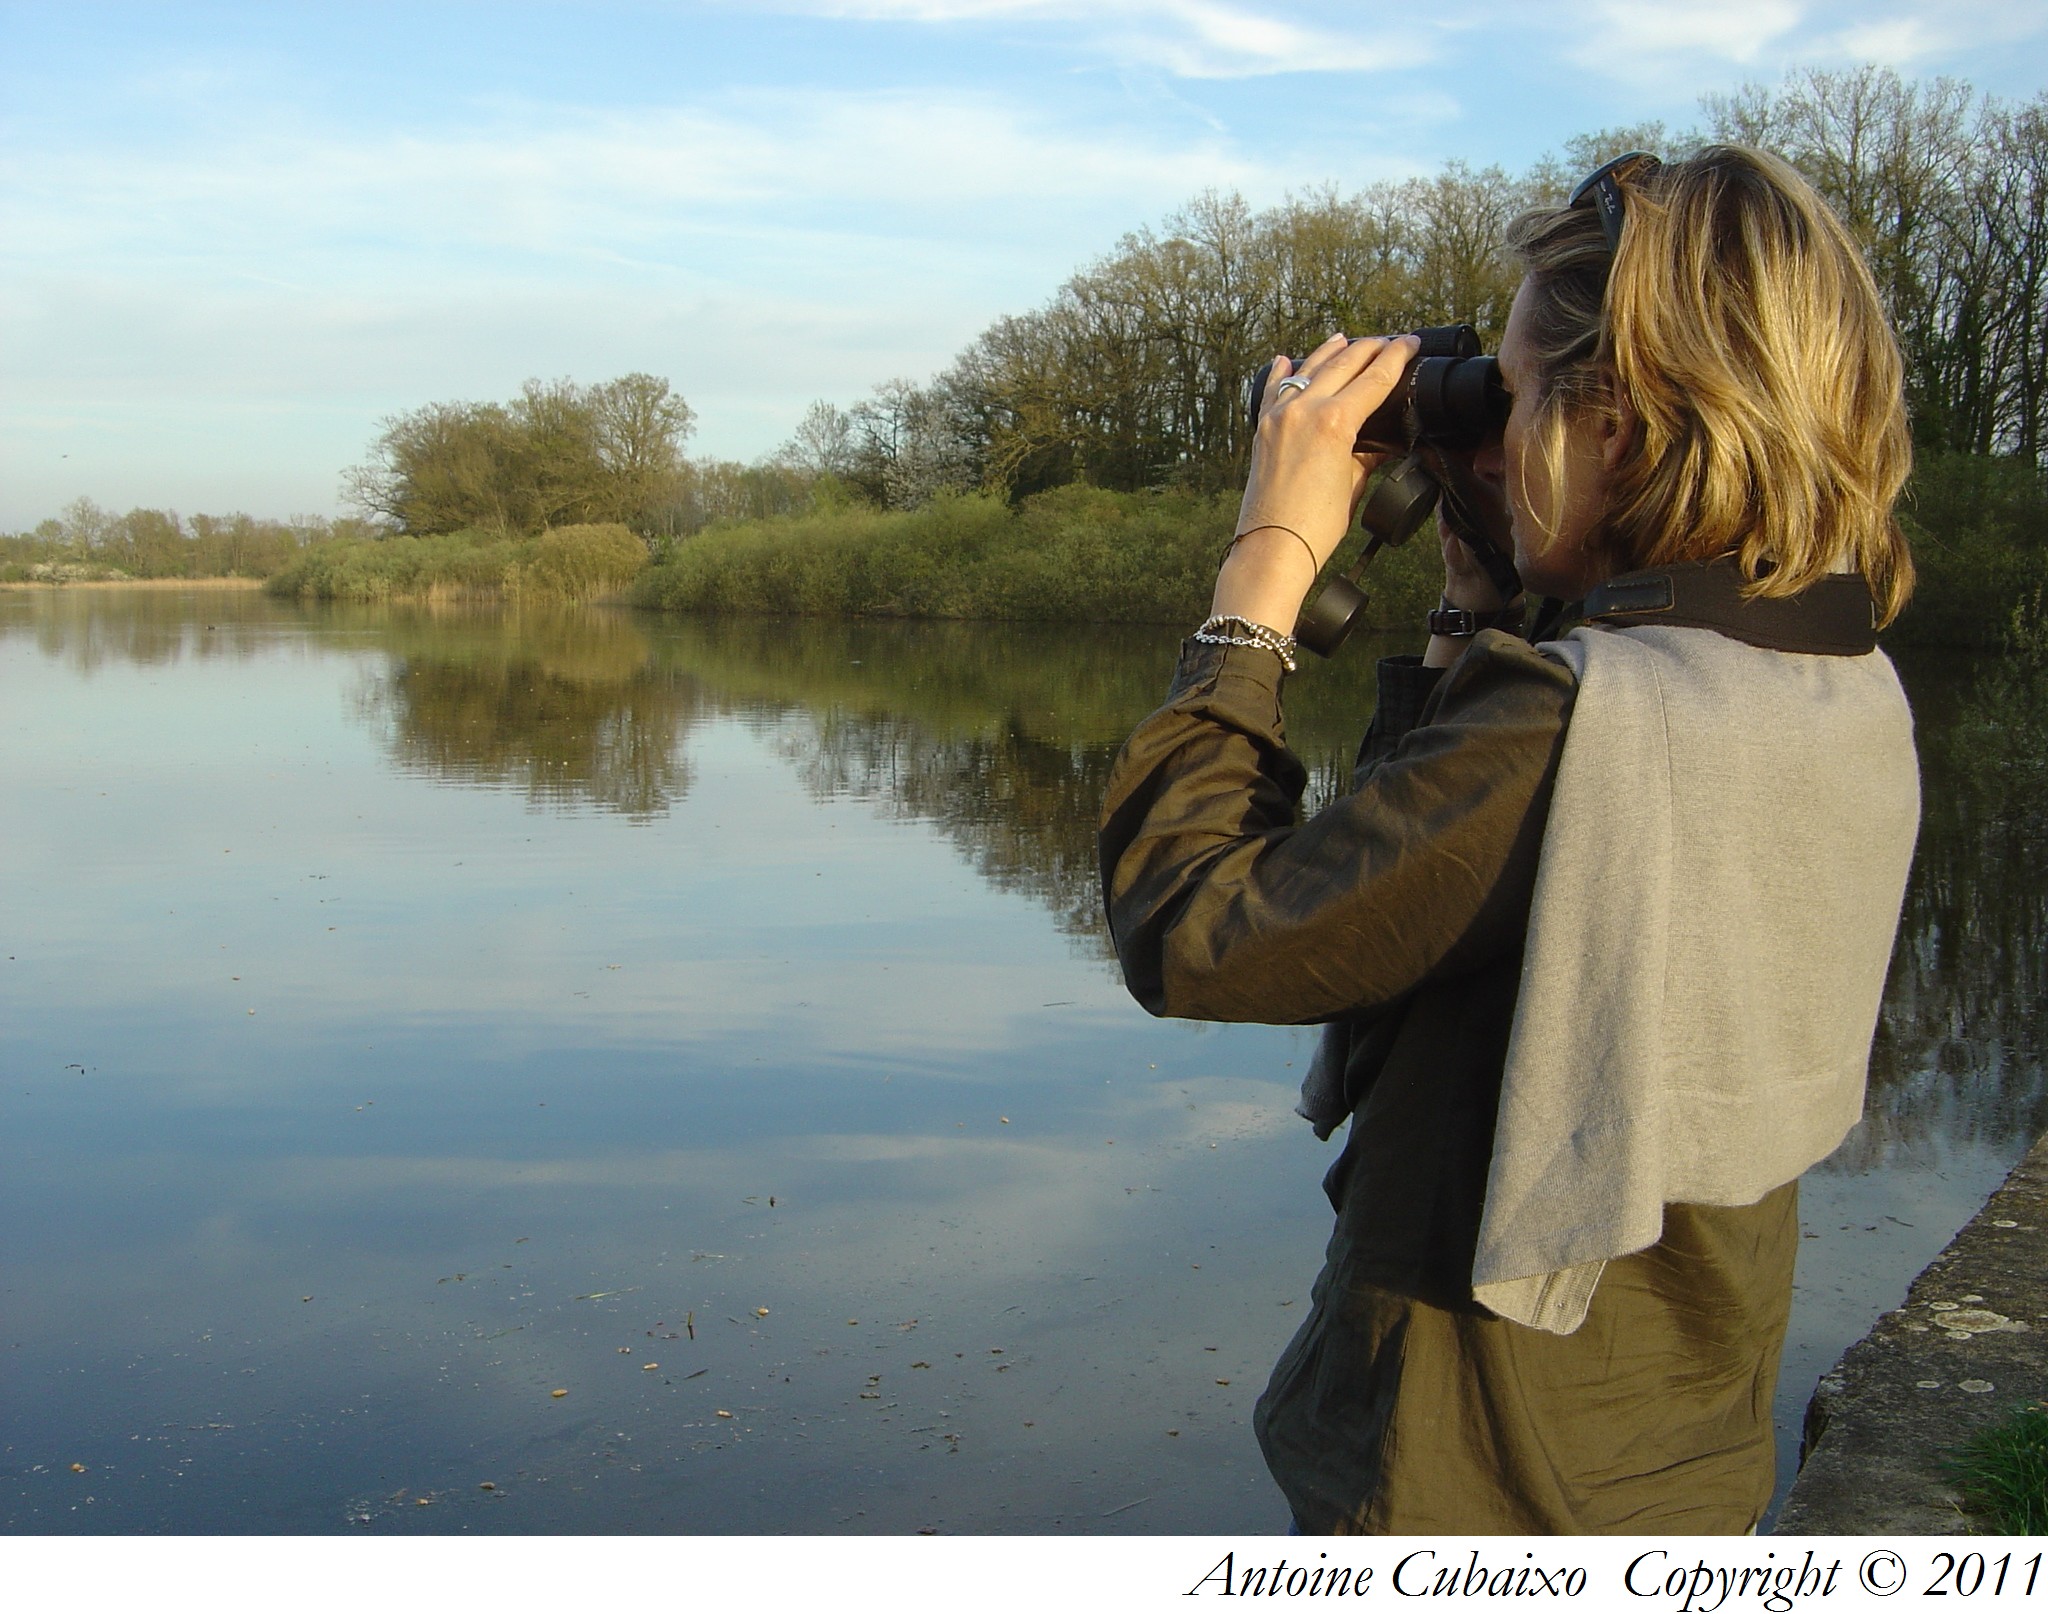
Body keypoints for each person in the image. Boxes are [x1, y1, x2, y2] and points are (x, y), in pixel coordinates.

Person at [1096, 146, 1921, 1534]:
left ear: (1618, 428)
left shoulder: (1573, 727)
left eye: (1527, 395)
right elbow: (1412, 907)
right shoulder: (1833, 672)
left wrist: (1265, 572)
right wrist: (1479, 599)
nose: (1498, 431)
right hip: (1678, 1443)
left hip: (1476, 1482)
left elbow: (1194, 926)